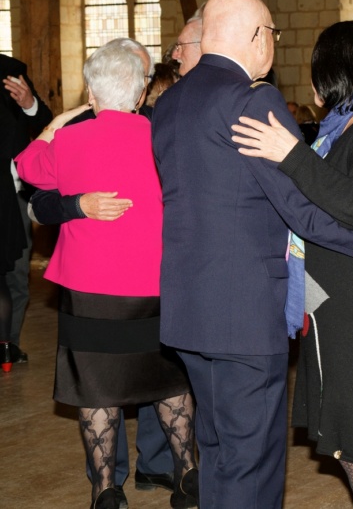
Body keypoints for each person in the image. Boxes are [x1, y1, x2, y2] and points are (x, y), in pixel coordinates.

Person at [152, 0, 353, 509]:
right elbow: (300, 209)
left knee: (217, 452)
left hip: (188, 306)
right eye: (272, 33)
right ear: (257, 37)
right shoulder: (251, 99)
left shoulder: (171, 102)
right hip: (244, 311)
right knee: (252, 463)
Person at [231, 20, 353, 508]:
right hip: (347, 309)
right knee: (352, 446)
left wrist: (293, 155)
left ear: (337, 70)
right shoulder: (348, 127)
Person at [15, 43, 198, 509]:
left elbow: (24, 168)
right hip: (157, 284)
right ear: (140, 96)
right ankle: (188, 476)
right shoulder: (163, 138)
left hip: (91, 286)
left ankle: (105, 491)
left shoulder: (72, 141)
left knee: (97, 391)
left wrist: (56, 124)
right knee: (170, 384)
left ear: (92, 93)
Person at [1, 55, 52, 368]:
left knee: (17, 273)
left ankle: (9, 344)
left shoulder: (10, 73)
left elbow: (44, 121)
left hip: (14, 194)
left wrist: (29, 102)